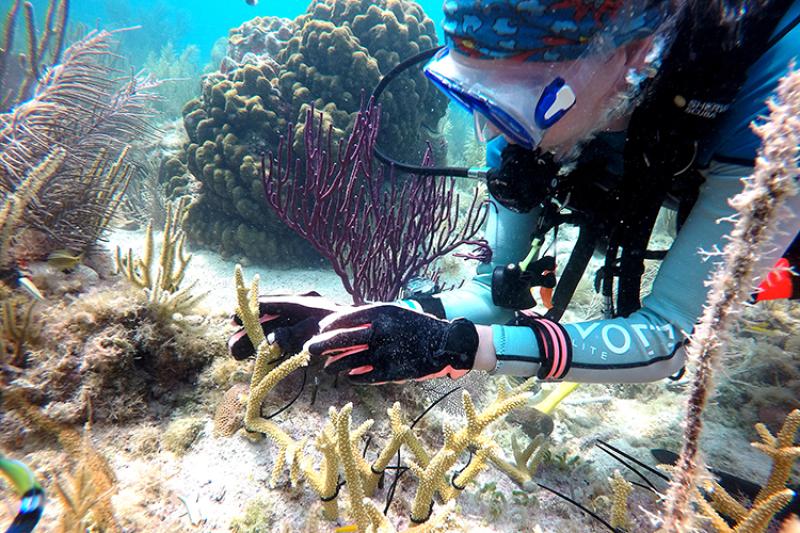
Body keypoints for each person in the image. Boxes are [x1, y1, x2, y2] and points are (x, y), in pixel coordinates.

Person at [229, 0, 800, 386]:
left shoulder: (781, 89)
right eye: (469, 91)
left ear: (633, 52)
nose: (488, 132)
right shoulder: (524, 121)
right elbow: (495, 292)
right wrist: (372, 320)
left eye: (515, 100)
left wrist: (460, 348)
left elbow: (669, 337)